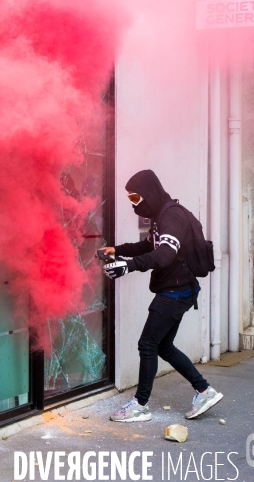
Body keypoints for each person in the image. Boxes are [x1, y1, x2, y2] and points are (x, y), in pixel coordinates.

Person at [99, 169, 223, 422]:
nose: (134, 204)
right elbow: (149, 246)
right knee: (163, 346)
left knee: (147, 344)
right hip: (177, 289)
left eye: (135, 198)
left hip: (176, 292)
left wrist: (129, 265)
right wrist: (118, 250)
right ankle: (204, 391)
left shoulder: (172, 217)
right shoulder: (161, 216)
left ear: (148, 193)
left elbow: (165, 254)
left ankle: (140, 405)